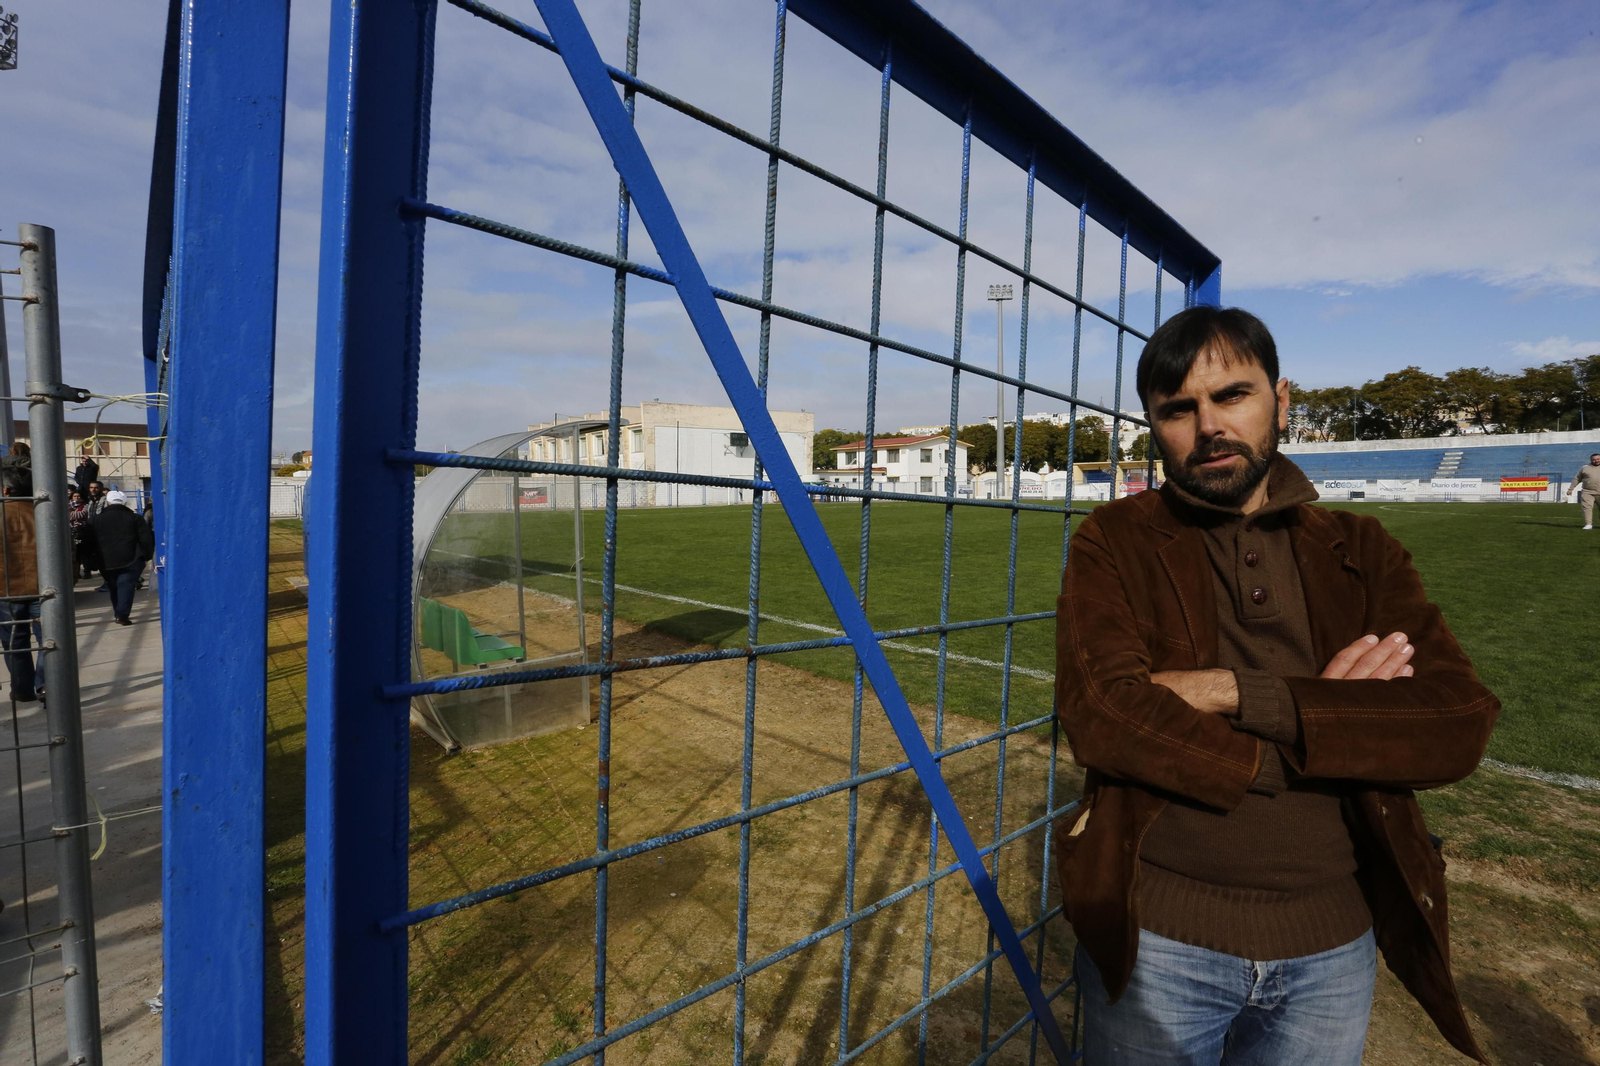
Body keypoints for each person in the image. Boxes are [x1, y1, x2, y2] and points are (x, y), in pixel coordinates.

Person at [1055, 306, 1499, 1066]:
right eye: (1178, 410)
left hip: (1332, 948)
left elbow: (1455, 724)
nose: (1209, 426)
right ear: (1154, 426)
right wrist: (1330, 725)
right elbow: (1104, 715)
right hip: (1161, 937)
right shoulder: (1115, 541)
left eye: (1233, 395)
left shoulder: (1362, 550)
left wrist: (1234, 692)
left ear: (1281, 401)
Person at [0, 464, 41, 702]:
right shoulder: (44, 513)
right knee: (49, 640)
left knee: (14, 642)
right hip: (44, 587)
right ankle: (47, 686)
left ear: (5, 490)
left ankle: (22, 689)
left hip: (6, 590)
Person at [89, 489, 153, 626]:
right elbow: (146, 539)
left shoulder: (96, 520)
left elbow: (89, 541)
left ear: (107, 502)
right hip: (131, 558)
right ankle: (122, 614)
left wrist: (91, 561)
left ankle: (119, 611)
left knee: (114, 587)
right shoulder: (135, 518)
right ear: (124, 503)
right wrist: (146, 556)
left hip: (106, 560)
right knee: (126, 586)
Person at [1565, 452, 1600, 530]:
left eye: (1598, 459)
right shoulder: (1585, 468)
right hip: (1588, 492)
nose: (1596, 461)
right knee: (1587, 508)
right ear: (1591, 460)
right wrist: (1571, 489)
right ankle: (1588, 524)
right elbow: (1577, 478)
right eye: (1594, 460)